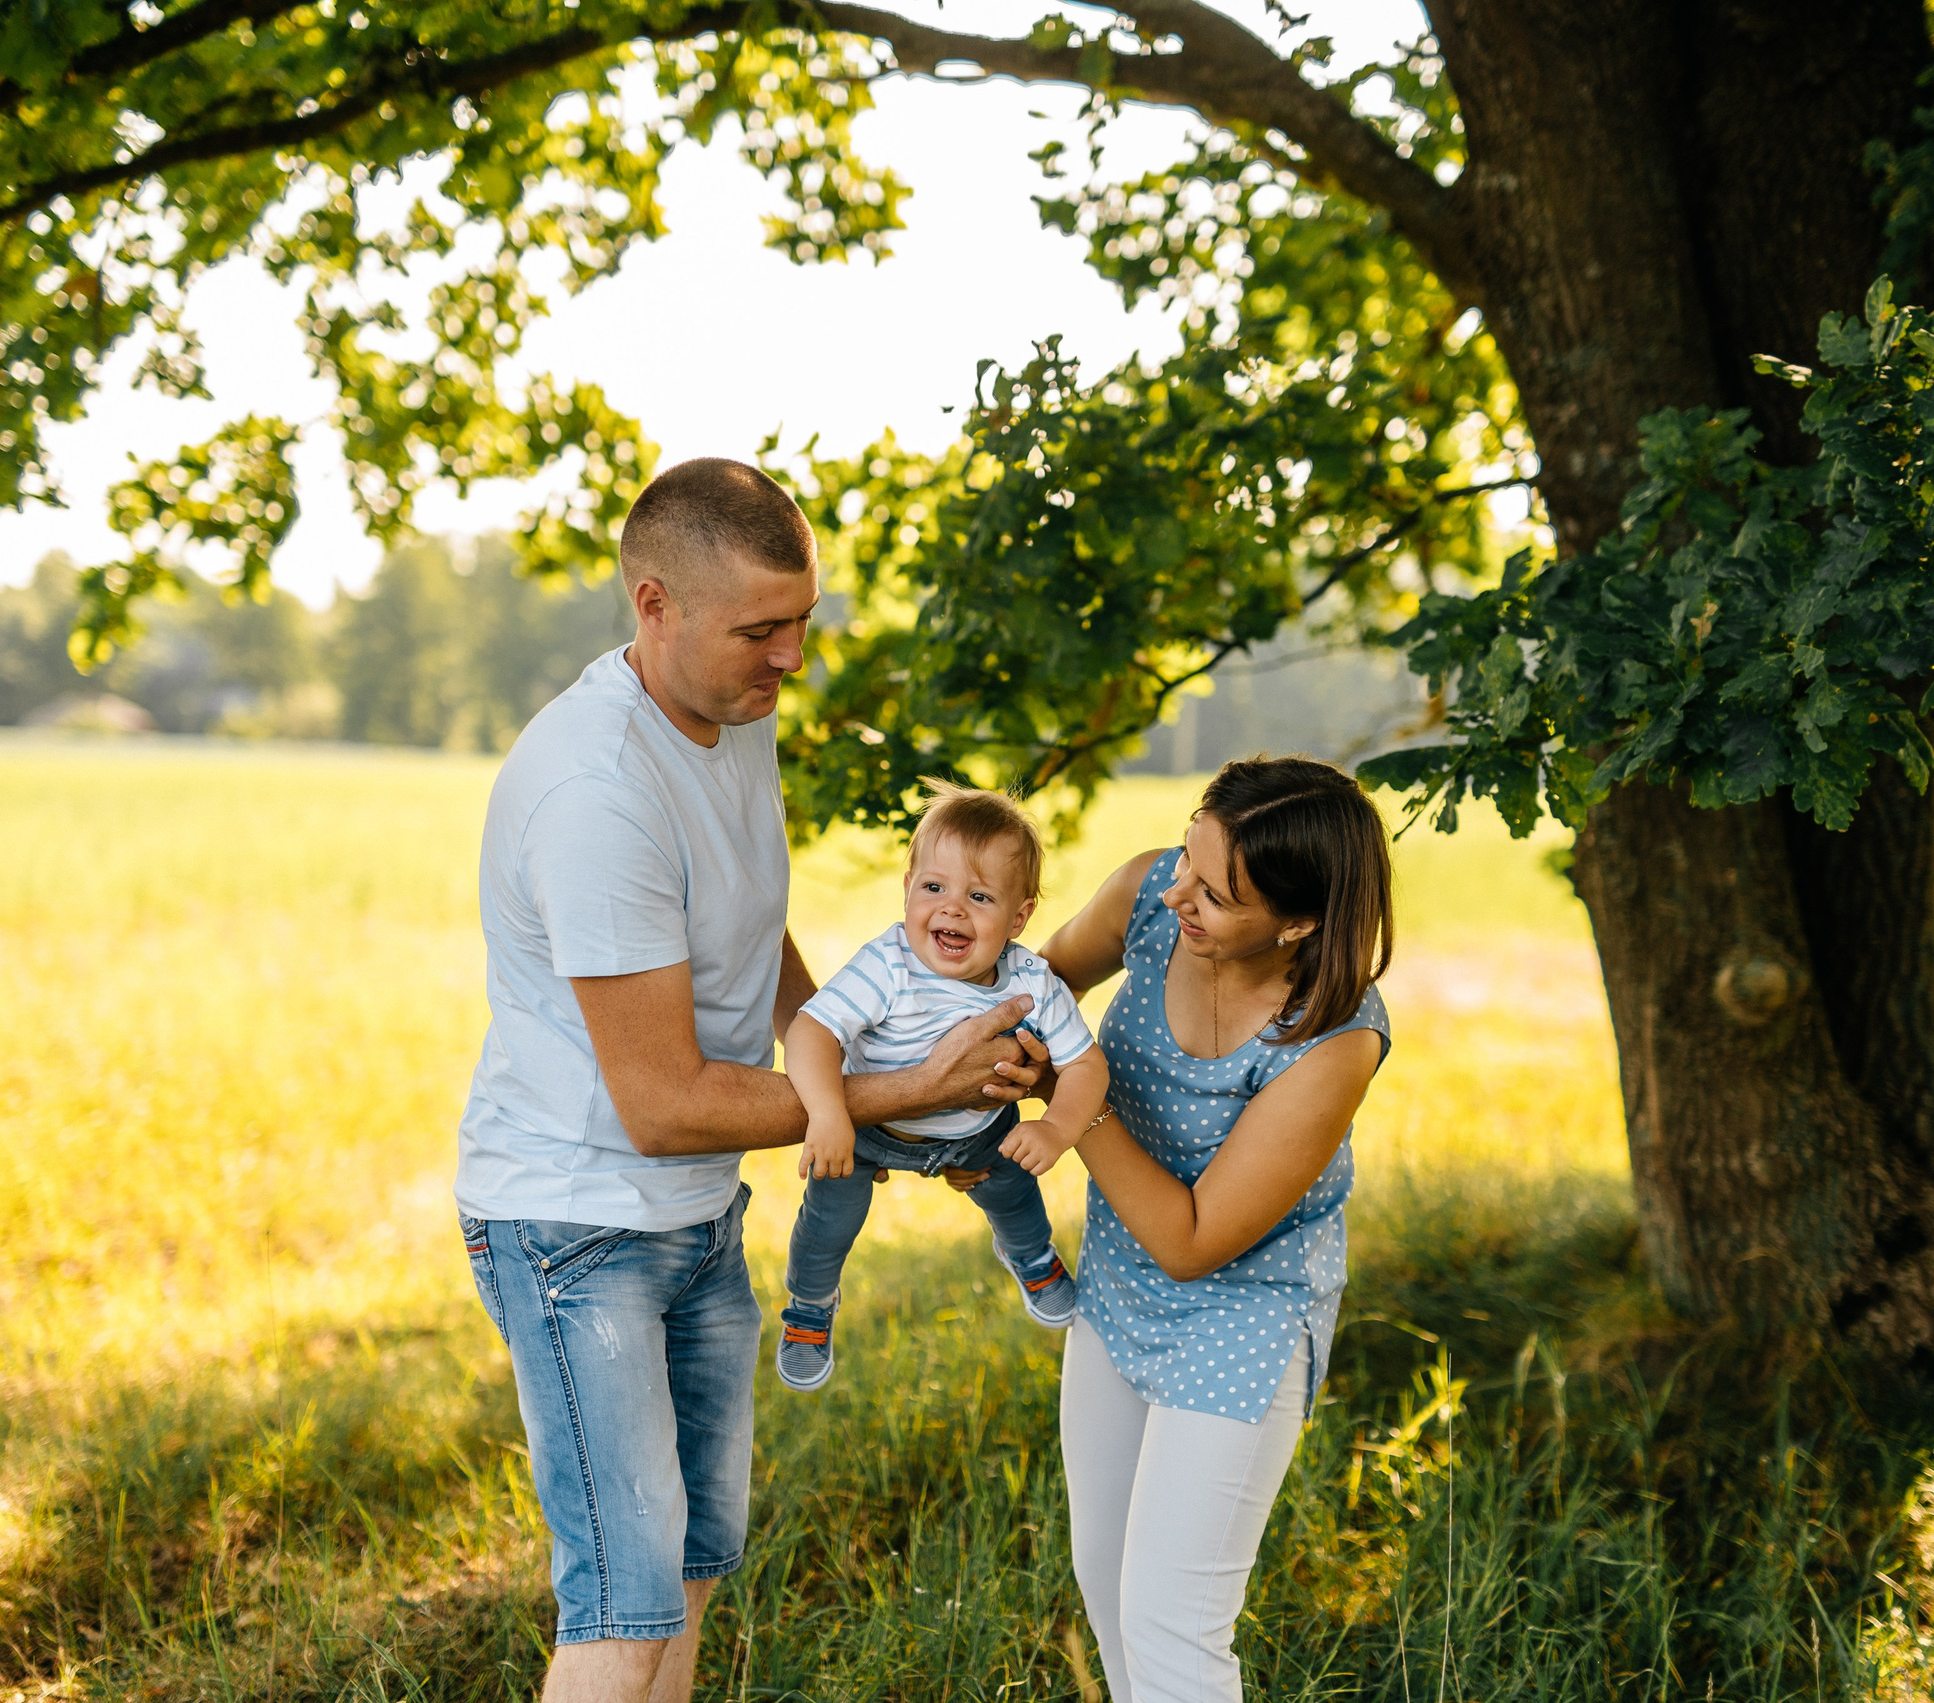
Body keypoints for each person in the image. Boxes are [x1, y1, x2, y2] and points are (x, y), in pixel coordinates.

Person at [453, 458, 1044, 1703]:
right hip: (576, 1223)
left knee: (695, 1566)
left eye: (801, 625)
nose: (788, 660)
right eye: (759, 630)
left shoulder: (729, 715)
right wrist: (887, 1096)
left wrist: (898, 1059)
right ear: (653, 601)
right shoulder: (596, 791)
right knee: (621, 1602)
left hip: (695, 1218)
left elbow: (747, 926)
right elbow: (661, 1104)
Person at [1032, 756, 1396, 1703]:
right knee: (1107, 1588)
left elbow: (1195, 1240)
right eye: (1188, 859)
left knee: (1173, 1622)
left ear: (1300, 920)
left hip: (1243, 1312)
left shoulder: (1335, 1036)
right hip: (1117, 1286)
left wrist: (1074, 1103)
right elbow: (1028, 991)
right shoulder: (1154, 893)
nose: (1179, 895)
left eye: (1218, 894)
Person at [776, 780, 1112, 1391]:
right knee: (828, 1219)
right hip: (871, 1129)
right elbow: (810, 1031)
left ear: (1020, 916)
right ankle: (808, 1306)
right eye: (934, 888)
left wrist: (1057, 1129)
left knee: (1014, 1185)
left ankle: (1030, 1255)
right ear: (907, 889)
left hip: (977, 1130)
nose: (952, 909)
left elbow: (1087, 1065)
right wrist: (828, 1115)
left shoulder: (1031, 982)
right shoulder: (888, 965)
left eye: (979, 896)